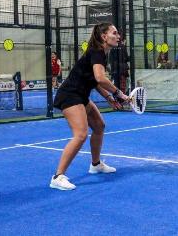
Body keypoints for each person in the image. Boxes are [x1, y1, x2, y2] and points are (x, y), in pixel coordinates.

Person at [50, 23, 129, 190]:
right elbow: (100, 78)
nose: (118, 36)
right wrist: (119, 94)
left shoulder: (100, 54)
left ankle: (96, 164)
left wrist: (108, 97)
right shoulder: (97, 52)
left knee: (99, 126)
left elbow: (95, 81)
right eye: (114, 33)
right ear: (104, 36)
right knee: (80, 134)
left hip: (81, 95)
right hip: (70, 95)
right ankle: (58, 177)